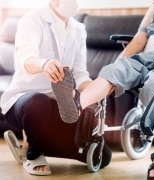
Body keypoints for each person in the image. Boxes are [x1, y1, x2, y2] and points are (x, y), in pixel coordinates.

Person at [53, 0, 154, 179]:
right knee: (114, 71)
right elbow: (138, 40)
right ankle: (76, 103)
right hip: (146, 56)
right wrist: (119, 62)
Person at [0, 0, 112, 176]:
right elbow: (25, 59)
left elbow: (79, 73)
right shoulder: (32, 19)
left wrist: (95, 90)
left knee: (103, 156)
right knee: (38, 102)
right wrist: (44, 64)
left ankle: (33, 142)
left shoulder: (78, 29)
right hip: (24, 102)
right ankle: (33, 156)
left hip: (58, 108)